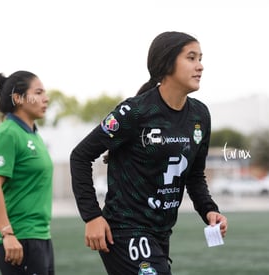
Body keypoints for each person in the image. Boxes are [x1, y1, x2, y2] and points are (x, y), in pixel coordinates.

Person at [70, 31, 228, 275]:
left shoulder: (200, 115)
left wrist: (209, 209)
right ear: (167, 63)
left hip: (161, 233)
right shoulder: (134, 112)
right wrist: (92, 216)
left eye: (200, 58)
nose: (200, 66)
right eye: (191, 58)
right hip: (124, 231)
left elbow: (194, 174)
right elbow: (80, 156)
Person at [0, 71, 55, 274]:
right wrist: (7, 234)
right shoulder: (7, 133)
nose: (46, 98)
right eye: (38, 92)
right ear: (18, 98)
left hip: (40, 237)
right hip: (18, 238)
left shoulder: (34, 135)